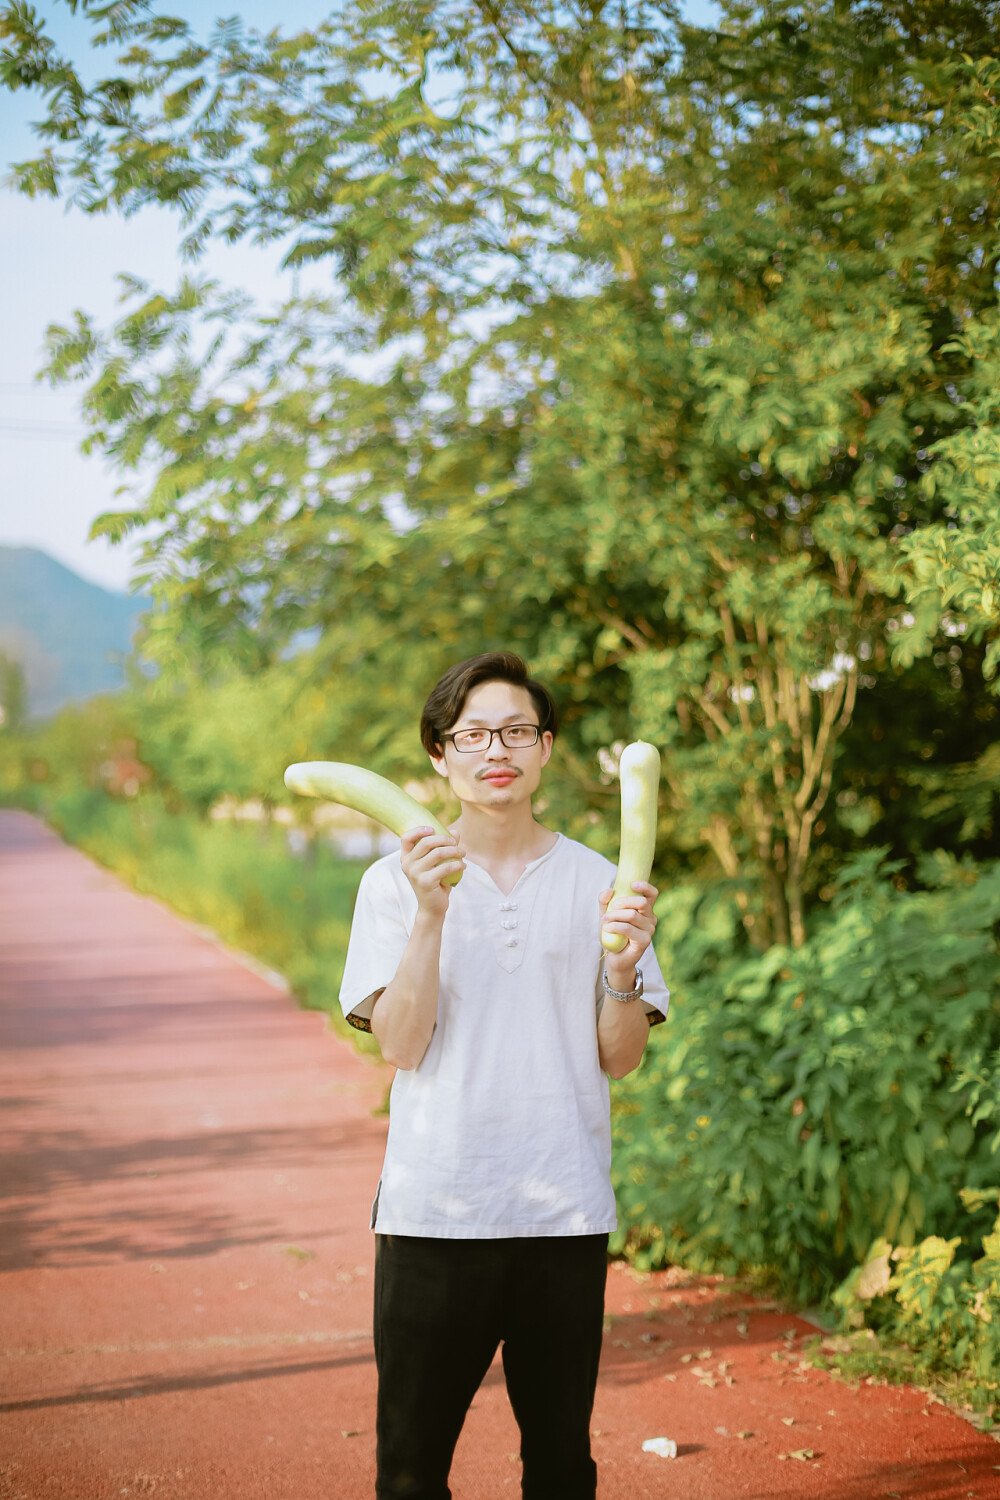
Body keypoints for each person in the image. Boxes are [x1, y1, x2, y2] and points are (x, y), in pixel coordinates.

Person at [338, 651, 669, 1500]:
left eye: (518, 731)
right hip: (434, 1213)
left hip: (563, 1212)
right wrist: (431, 916)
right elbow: (401, 1047)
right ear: (439, 756)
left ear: (547, 748)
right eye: (475, 733)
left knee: (561, 1467)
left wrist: (625, 969)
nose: (499, 749)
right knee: (410, 1474)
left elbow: (620, 1059)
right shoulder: (391, 885)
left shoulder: (605, 883)